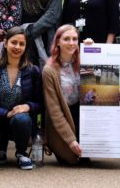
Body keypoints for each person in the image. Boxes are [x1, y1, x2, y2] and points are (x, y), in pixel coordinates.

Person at [0, 26, 42, 170]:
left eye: (21, 44)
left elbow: (40, 102)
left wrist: (28, 106)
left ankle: (21, 153)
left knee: (22, 118)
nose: (17, 47)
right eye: (13, 42)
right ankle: (0, 148)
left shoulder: (33, 71)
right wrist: (5, 113)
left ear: (25, 47)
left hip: (18, 122)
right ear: (5, 43)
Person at [42, 24, 83, 165]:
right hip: (63, 116)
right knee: (70, 159)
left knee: (86, 155)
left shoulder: (84, 61)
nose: (71, 43)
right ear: (58, 42)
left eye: (74, 39)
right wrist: (70, 140)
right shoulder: (49, 70)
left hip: (80, 114)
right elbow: (54, 111)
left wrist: (93, 48)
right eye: (66, 39)